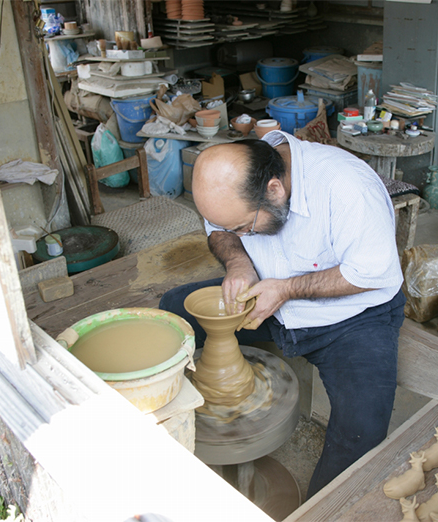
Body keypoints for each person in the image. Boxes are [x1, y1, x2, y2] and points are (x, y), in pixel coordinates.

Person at [158, 130, 405, 498]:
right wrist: (238, 261)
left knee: (361, 435)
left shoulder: (347, 187)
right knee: (172, 315)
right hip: (265, 294)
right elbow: (217, 229)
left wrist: (286, 289)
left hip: (351, 317)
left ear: (274, 190)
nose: (238, 232)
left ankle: (320, 510)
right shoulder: (237, 183)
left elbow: (370, 273)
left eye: (243, 227)